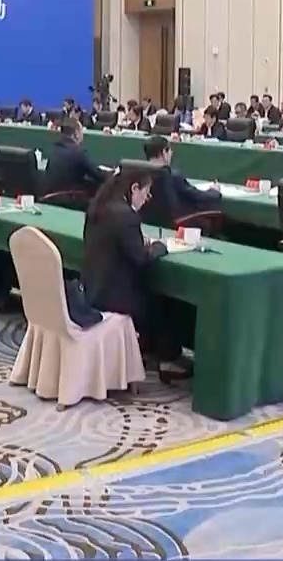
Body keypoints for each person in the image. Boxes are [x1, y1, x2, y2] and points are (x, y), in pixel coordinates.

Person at [82, 168, 189, 382]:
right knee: (166, 299)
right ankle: (168, 359)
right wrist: (161, 247)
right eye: (146, 193)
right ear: (134, 189)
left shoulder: (98, 207)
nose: (146, 199)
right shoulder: (126, 216)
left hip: (92, 289)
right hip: (114, 298)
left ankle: (145, 347)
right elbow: (141, 258)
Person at [142, 135, 221, 223]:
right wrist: (214, 191)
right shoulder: (172, 176)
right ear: (164, 152)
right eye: (170, 150)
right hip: (179, 222)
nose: (171, 153)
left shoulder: (141, 174)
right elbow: (197, 196)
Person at [39, 119, 108, 197]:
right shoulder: (79, 152)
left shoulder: (54, 148)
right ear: (76, 134)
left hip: (48, 196)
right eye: (81, 132)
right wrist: (112, 175)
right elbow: (97, 175)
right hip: (68, 197)